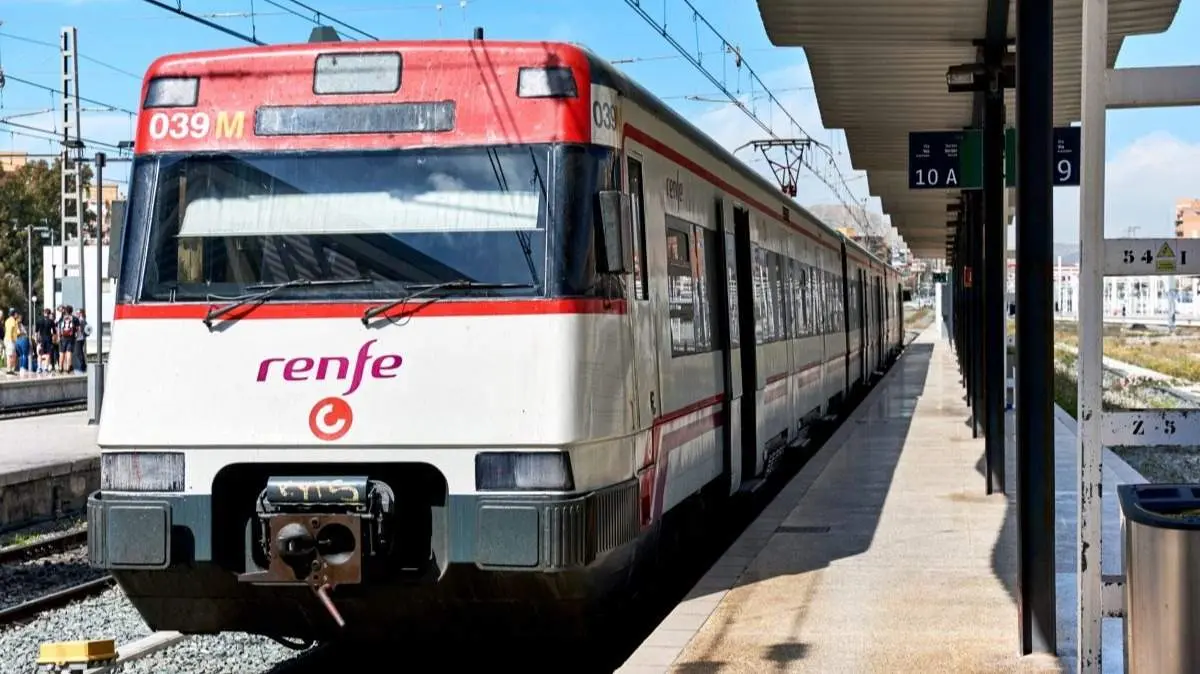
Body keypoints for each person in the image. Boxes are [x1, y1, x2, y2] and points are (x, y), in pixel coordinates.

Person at [4, 308, 19, 375]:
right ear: (14, 314)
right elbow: (10, 330)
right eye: (16, 313)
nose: (17, 314)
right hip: (10, 340)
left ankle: (10, 369)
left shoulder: (8, 320)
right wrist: (11, 339)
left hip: (8, 339)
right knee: (11, 355)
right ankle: (9, 370)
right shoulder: (12, 321)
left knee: (12, 355)